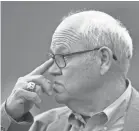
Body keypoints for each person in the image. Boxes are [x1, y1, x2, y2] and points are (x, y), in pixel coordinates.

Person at [1, 10, 139, 131]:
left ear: (103, 59)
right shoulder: (44, 125)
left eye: (62, 57)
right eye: (52, 58)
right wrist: (8, 116)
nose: (52, 70)